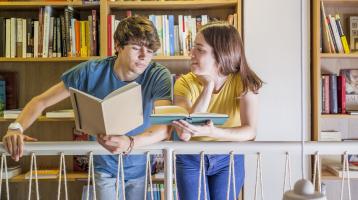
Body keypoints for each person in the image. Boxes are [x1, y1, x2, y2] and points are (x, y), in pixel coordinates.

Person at [2, 16, 172, 200]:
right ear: (117, 45)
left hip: (141, 166)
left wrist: (129, 143)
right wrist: (15, 127)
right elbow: (41, 101)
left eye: (149, 50)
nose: (143, 57)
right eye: (136, 48)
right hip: (103, 167)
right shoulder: (90, 71)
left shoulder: (158, 74)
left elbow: (165, 126)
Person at [172, 21, 263, 200]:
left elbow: (250, 131)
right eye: (193, 48)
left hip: (229, 157)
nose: (191, 54)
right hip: (191, 158)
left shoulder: (243, 82)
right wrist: (208, 86)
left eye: (200, 49)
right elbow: (184, 133)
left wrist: (214, 132)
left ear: (220, 54)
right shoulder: (183, 83)